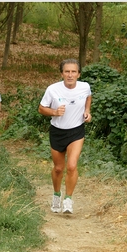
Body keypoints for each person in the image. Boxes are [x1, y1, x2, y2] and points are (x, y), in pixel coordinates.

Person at [38, 58, 92, 214]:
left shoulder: (84, 87)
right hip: (57, 131)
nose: (70, 75)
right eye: (67, 71)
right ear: (62, 73)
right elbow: (41, 108)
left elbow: (88, 97)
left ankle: (68, 199)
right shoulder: (52, 89)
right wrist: (54, 112)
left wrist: (87, 112)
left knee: (72, 166)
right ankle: (56, 195)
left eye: (73, 71)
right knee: (58, 169)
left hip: (76, 131)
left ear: (78, 74)